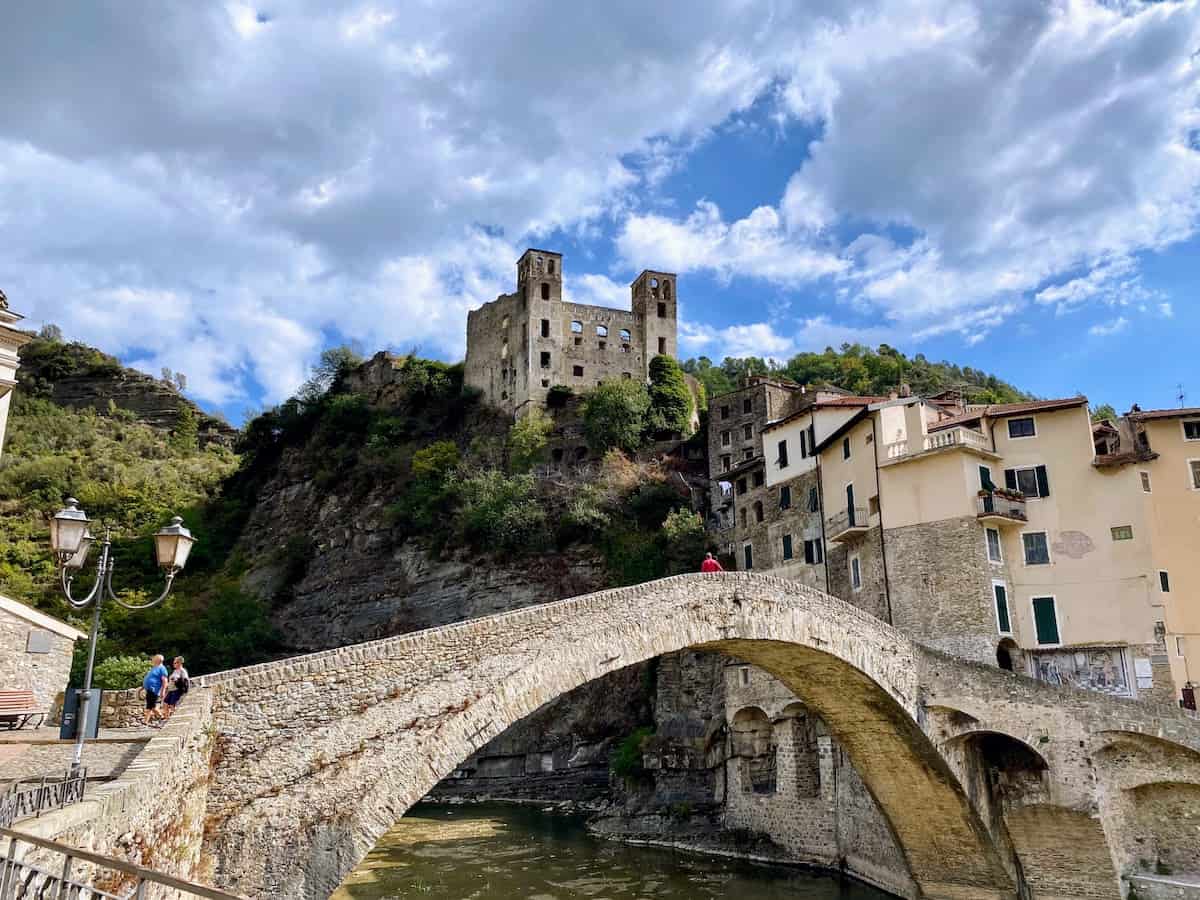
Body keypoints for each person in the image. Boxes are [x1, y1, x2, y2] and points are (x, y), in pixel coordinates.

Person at [142, 654, 169, 727]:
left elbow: (165, 681)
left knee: (149, 706)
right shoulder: (154, 668)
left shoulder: (162, 668)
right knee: (152, 706)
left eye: (154, 658)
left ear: (158, 660)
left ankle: (145, 722)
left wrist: (163, 691)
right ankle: (162, 717)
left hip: (154, 689)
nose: (152, 659)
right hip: (150, 689)